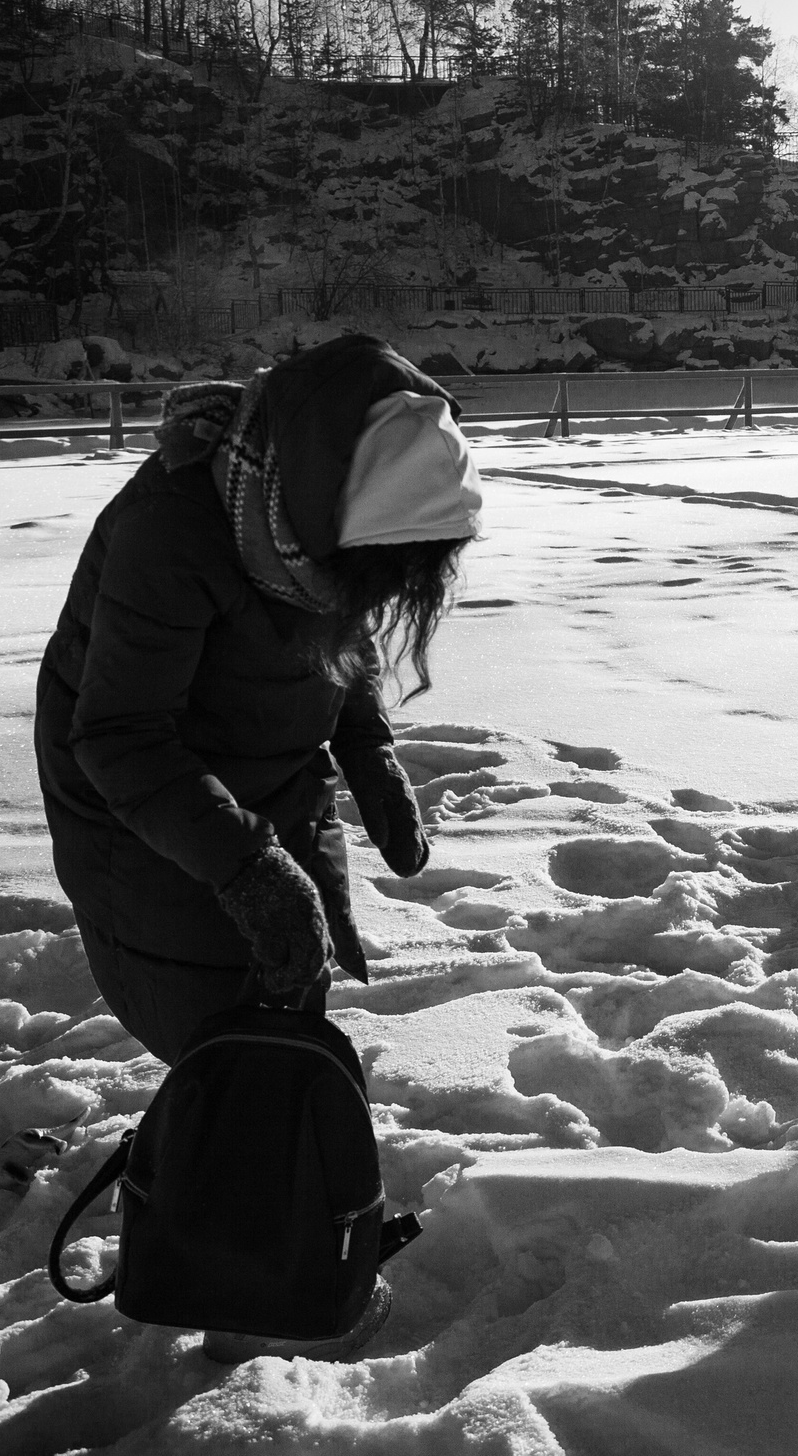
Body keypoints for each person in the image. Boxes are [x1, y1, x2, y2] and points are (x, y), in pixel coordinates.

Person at [34, 332, 480, 1358]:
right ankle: (232, 1286)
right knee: (221, 1031)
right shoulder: (175, 530)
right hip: (141, 801)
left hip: (270, 786)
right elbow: (119, 734)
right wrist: (248, 867)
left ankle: (263, 1251)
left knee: (276, 1024)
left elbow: (340, 632)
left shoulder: (305, 510)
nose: (379, 589)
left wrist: (366, 749)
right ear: (324, 511)